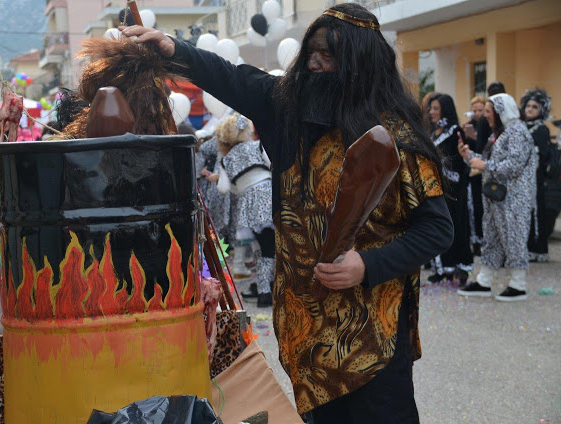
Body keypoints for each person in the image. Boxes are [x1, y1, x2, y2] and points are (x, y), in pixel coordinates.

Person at [121, 3, 453, 421]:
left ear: (360, 65)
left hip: (373, 336)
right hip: (306, 330)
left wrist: (367, 265)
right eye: (311, 52)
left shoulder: (396, 136)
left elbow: (437, 230)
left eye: (328, 56)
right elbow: (232, 77)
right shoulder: (287, 110)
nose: (313, 64)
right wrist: (174, 48)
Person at [458, 94, 538, 302]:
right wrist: (469, 157)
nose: (485, 117)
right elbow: (491, 161)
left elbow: (514, 164)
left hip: (514, 199)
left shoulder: (517, 131)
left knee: (514, 238)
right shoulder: (502, 133)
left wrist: (484, 165)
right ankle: (484, 281)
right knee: (492, 238)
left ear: (501, 111)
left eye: (488, 112)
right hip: (497, 198)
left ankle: (518, 285)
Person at [214, 114, 274, 307]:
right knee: (269, 246)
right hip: (265, 195)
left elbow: (222, 188)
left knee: (258, 248)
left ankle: (265, 289)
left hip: (247, 202)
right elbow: (271, 164)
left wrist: (238, 186)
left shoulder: (226, 159)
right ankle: (267, 291)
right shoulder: (257, 145)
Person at [427, 93, 473, 284]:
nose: (431, 112)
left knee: (456, 227)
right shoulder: (432, 132)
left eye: (436, 108)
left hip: (454, 192)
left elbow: (463, 163)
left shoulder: (456, 133)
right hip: (434, 190)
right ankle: (442, 268)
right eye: (430, 108)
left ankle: (460, 267)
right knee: (436, 228)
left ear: (445, 110)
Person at [520, 88, 552, 262]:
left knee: (535, 211)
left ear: (542, 110)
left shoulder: (542, 130)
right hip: (520, 180)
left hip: (535, 179)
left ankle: (537, 248)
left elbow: (543, 155)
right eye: (528, 106)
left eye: (535, 107)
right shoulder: (521, 127)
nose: (530, 109)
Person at [464, 96, 487, 253]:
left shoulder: (489, 125)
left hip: (486, 168)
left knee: (483, 206)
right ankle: (476, 241)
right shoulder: (469, 126)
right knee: (474, 206)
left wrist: (477, 138)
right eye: (474, 110)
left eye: (480, 110)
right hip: (472, 171)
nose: (477, 113)